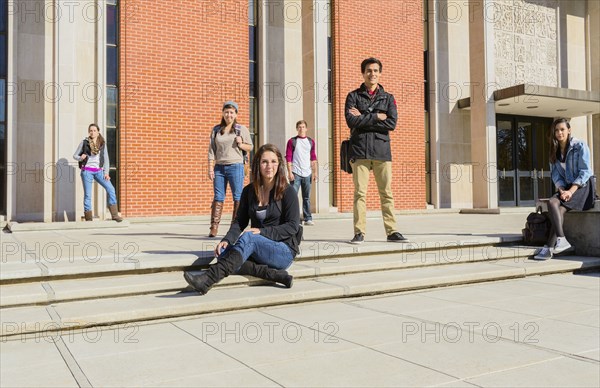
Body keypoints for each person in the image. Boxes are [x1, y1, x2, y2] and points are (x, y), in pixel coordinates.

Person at [184, 144, 301, 295]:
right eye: (264, 161)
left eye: (273, 161)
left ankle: (208, 279)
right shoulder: (249, 191)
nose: (269, 166)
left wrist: (262, 232)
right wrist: (226, 239)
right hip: (259, 250)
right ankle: (274, 275)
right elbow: (240, 221)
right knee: (223, 253)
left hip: (283, 251)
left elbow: (292, 226)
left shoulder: (288, 191)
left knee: (249, 238)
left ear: (279, 164)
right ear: (258, 164)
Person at [345, 57, 407, 244]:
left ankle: (392, 231)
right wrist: (376, 117)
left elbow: (391, 123)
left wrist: (363, 117)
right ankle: (359, 232)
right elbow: (351, 121)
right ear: (363, 73)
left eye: (375, 70)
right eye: (369, 70)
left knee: (386, 193)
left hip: (381, 151)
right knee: (360, 194)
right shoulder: (353, 96)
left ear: (380, 73)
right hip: (359, 151)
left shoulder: (388, 98)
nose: (372, 74)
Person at [534, 118, 593, 260]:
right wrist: (561, 190)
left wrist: (571, 191)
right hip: (565, 187)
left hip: (583, 186)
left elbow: (585, 172)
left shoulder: (580, 145)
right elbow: (555, 175)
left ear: (569, 130)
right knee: (553, 203)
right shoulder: (554, 151)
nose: (559, 133)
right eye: (556, 130)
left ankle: (548, 247)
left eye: (562, 129)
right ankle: (562, 239)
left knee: (560, 210)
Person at [208, 101, 253, 237]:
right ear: (223, 113)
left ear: (235, 114)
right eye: (226, 112)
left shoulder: (241, 129)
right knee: (218, 197)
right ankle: (214, 227)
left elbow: (250, 147)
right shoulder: (216, 130)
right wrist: (210, 168)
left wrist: (240, 143)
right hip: (219, 168)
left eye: (232, 112)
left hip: (236, 166)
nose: (229, 115)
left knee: (237, 197)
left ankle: (235, 228)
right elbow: (211, 150)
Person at [73, 123, 123, 222]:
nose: (92, 132)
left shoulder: (102, 143)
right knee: (88, 195)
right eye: (90, 130)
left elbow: (106, 159)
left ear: (98, 132)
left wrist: (106, 173)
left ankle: (114, 215)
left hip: (99, 171)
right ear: (89, 132)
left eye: (94, 130)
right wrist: (80, 157)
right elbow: (75, 155)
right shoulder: (84, 142)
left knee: (111, 189)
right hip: (87, 171)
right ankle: (89, 218)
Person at [286, 120, 318, 226]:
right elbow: (288, 158)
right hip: (296, 173)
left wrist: (315, 172)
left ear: (306, 128)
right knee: (293, 197)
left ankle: (308, 218)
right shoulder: (292, 141)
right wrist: (290, 172)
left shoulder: (311, 142)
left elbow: (313, 158)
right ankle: (294, 219)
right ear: (297, 129)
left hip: (307, 173)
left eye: (303, 127)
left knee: (306, 197)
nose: (301, 129)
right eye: (299, 127)